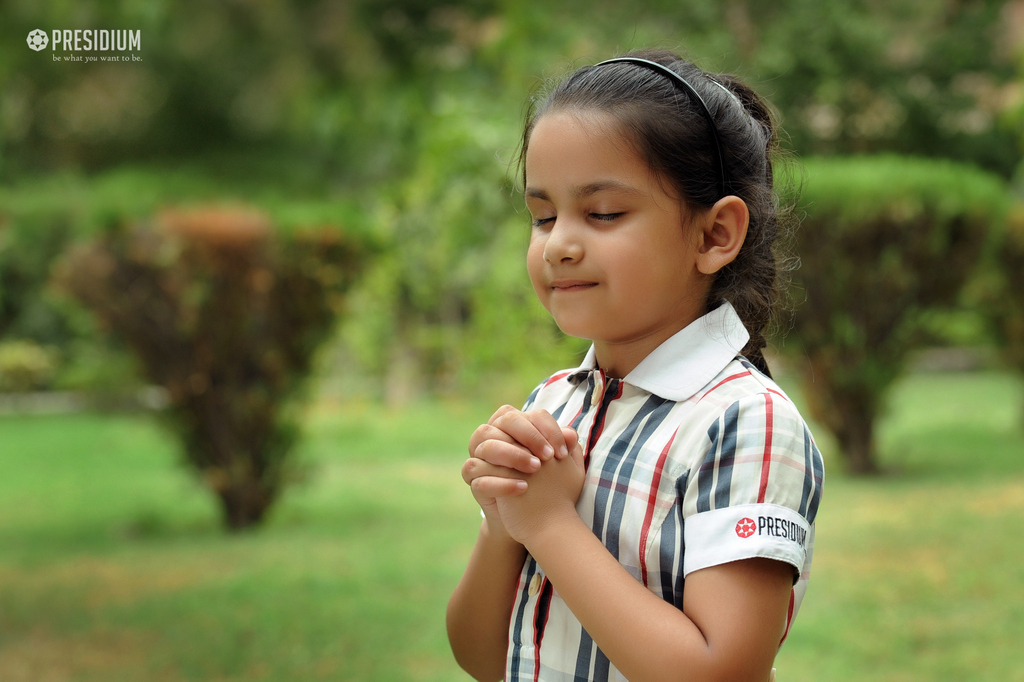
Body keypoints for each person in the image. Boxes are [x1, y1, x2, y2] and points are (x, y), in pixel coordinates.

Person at [446, 48, 824, 682]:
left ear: (714, 235)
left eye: (603, 214)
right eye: (543, 216)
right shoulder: (555, 403)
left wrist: (547, 522)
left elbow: (719, 672)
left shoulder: (745, 422)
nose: (560, 243)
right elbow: (485, 657)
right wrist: (504, 520)